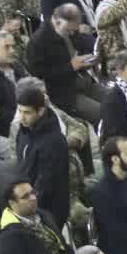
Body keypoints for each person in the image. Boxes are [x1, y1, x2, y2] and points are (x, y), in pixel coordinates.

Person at [15, 82, 83, 231]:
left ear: (40, 111)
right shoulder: (24, 131)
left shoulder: (53, 142)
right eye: (20, 111)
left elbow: (46, 185)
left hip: (48, 212)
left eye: (27, 112)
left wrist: (27, 210)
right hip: (28, 201)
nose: (21, 117)